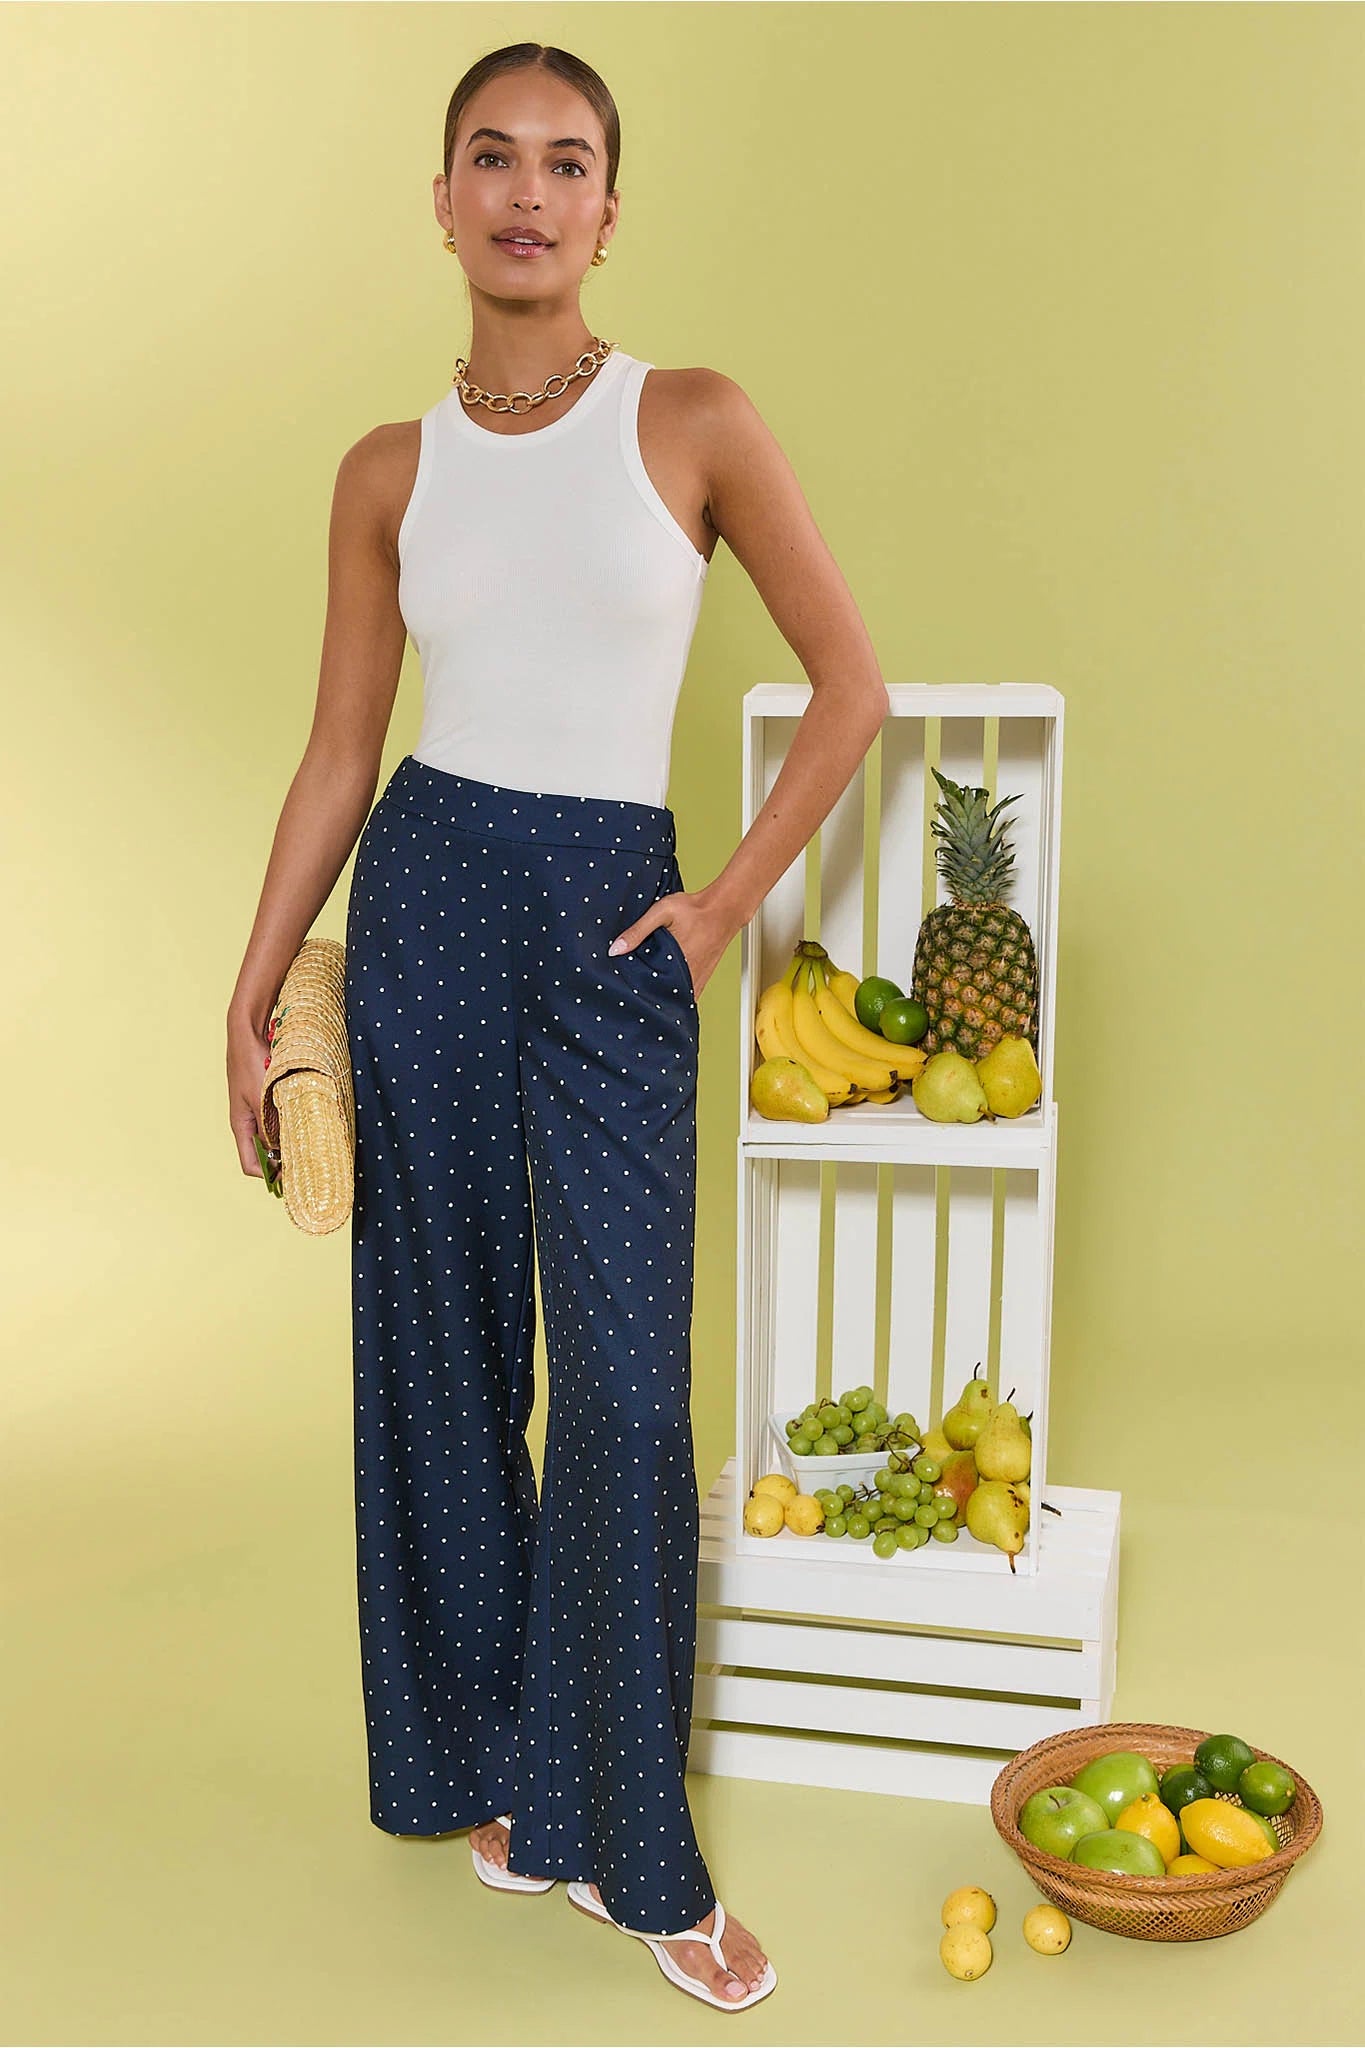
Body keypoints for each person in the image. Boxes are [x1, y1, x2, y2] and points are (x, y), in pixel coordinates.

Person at [227, 40, 888, 2014]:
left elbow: (847, 686)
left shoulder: (691, 420)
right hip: (423, 891)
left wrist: (712, 912)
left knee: (617, 1384)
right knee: (434, 1345)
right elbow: (345, 745)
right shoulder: (383, 471)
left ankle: (634, 1849)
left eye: (568, 161)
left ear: (610, 208)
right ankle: (487, 1775)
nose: (527, 191)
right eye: (490, 159)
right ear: (441, 200)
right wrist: (253, 980)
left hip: (612, 908)